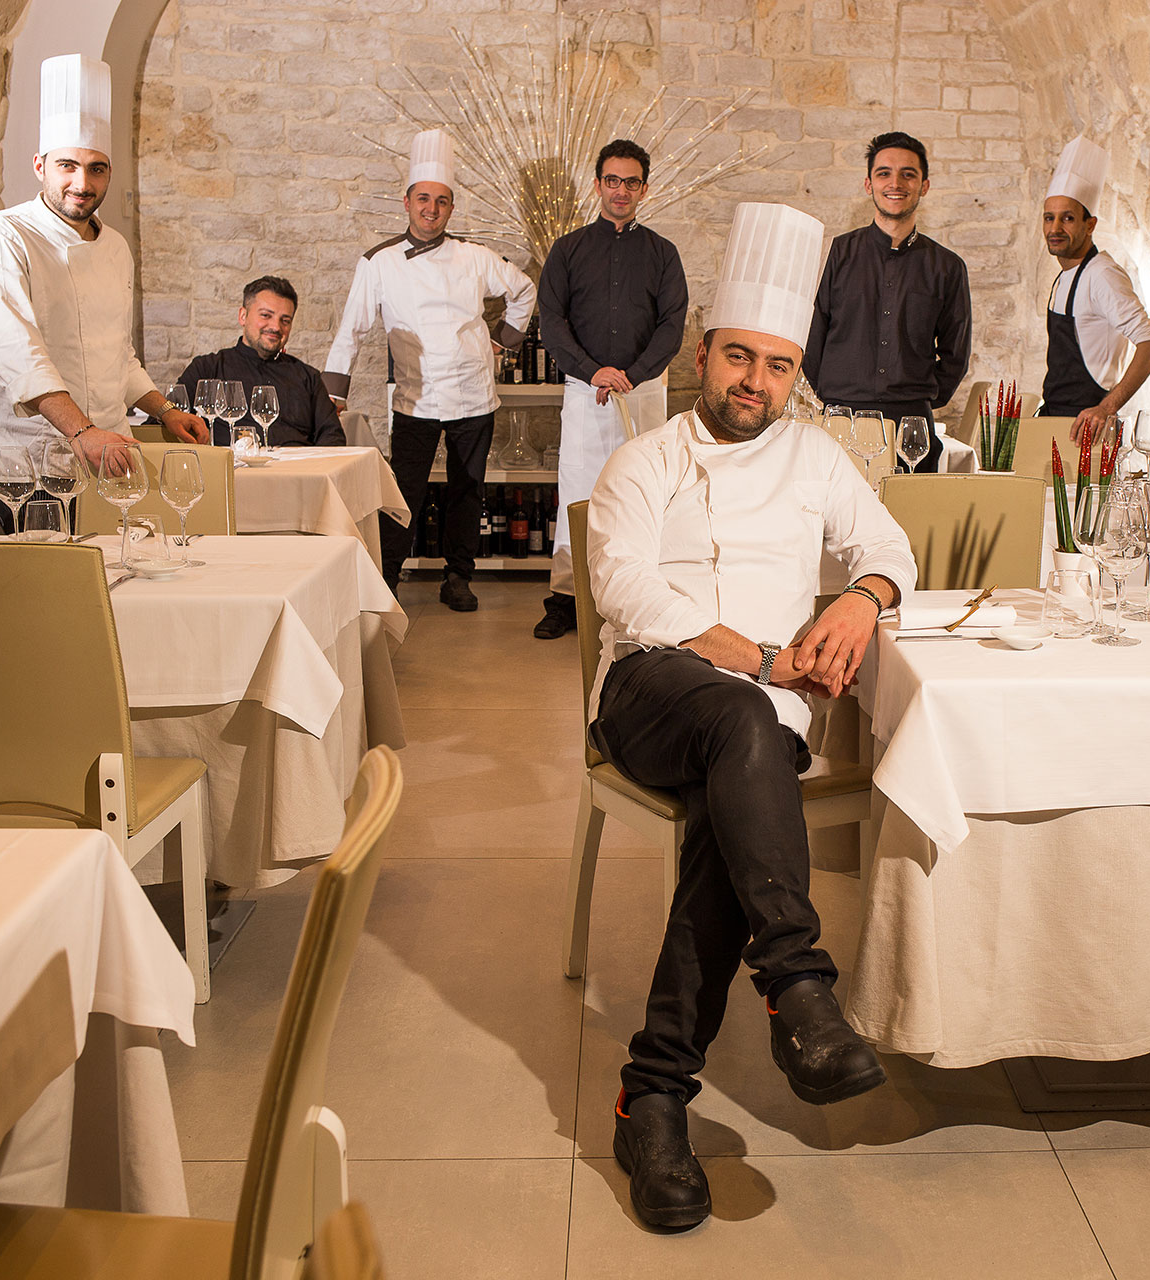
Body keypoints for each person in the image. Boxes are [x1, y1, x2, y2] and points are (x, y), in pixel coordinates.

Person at [586, 202, 916, 1231]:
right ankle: (797, 980)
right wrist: (768, 656)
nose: (755, 383)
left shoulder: (816, 459)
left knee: (738, 792)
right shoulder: (643, 460)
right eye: (739, 358)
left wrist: (860, 599)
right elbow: (625, 591)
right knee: (743, 723)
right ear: (702, 353)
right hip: (649, 690)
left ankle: (654, 1098)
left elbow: (891, 551)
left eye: (777, 366)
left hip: (760, 721)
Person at [0, 53, 207, 532]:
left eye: (97, 169)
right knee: (58, 596)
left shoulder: (115, 247)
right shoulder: (3, 235)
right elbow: (17, 354)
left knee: (118, 587)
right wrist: (82, 431)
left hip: (109, 456)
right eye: (67, 166)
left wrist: (164, 410)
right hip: (27, 463)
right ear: (40, 165)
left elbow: (117, 353)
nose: (82, 183)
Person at [324, 128, 536, 607]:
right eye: (423, 199)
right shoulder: (378, 262)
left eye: (442, 201)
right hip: (415, 398)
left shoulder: (475, 257)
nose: (431, 209)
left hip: (474, 396)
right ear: (406, 201)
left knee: (467, 490)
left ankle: (458, 578)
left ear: (451, 208)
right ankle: (388, 577)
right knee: (403, 493)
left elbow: (523, 290)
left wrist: (505, 340)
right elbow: (351, 329)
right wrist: (334, 392)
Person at [533, 139, 688, 640]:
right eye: (613, 180)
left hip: (642, 392)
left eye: (632, 181)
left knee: (644, 492)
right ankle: (566, 598)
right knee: (578, 492)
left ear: (645, 187)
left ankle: (642, 593)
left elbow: (672, 324)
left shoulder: (663, 254)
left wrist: (634, 374)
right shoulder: (569, 249)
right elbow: (551, 320)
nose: (622, 190)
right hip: (585, 390)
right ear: (598, 184)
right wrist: (592, 369)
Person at [803, 132, 969, 473]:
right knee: (832, 525)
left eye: (908, 174)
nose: (896, 183)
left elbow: (956, 353)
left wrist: (922, 397)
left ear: (924, 185)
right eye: (884, 173)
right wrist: (835, 391)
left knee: (910, 522)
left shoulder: (947, 267)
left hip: (911, 423)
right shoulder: (832, 255)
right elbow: (810, 334)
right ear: (868, 184)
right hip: (840, 419)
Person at [1037, 135, 1150, 441]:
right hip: (1056, 420)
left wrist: (1106, 408)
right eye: (1049, 218)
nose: (1055, 229)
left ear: (1090, 225)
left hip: (1088, 431)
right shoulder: (1065, 275)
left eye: (1067, 218)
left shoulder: (1103, 274)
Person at [177, 275, 345, 448]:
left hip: (296, 472)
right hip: (227, 472)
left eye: (285, 320)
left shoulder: (308, 377)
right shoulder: (207, 369)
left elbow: (333, 436)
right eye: (266, 315)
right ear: (243, 316)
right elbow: (168, 420)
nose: (276, 327)